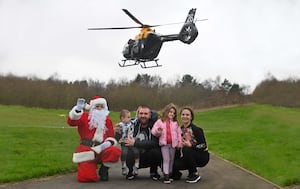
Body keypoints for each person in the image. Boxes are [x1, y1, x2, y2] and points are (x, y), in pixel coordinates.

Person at [67, 96, 121, 182]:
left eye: (101, 106)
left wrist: (107, 143)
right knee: (87, 178)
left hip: (102, 149)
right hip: (87, 149)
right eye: (97, 106)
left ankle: (104, 169)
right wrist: (77, 110)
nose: (99, 108)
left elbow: (110, 136)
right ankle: (88, 166)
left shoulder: (108, 121)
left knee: (114, 151)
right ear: (92, 107)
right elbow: (71, 122)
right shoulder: (84, 117)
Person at [123, 105, 162, 180]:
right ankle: (131, 171)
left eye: (145, 114)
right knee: (127, 150)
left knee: (156, 151)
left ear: (150, 115)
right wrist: (118, 133)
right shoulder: (132, 124)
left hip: (148, 155)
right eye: (141, 113)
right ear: (138, 115)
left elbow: (155, 143)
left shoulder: (155, 126)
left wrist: (135, 143)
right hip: (135, 154)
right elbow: (123, 138)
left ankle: (153, 172)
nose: (143, 116)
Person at [172, 107, 210, 183]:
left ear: (191, 117)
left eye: (187, 115)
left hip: (201, 156)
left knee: (187, 149)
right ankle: (176, 174)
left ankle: (194, 173)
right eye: (183, 114)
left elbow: (203, 145)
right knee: (174, 164)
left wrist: (191, 146)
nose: (185, 116)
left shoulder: (197, 129)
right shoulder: (179, 129)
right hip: (188, 156)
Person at [151, 103, 182, 184]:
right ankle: (166, 175)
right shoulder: (160, 121)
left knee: (171, 160)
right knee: (166, 159)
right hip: (164, 144)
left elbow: (179, 134)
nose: (172, 114)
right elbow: (153, 131)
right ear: (166, 112)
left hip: (173, 145)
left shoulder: (175, 123)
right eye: (170, 112)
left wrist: (179, 144)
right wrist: (158, 131)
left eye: (174, 113)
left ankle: (170, 174)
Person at [118, 109, 140, 176]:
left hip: (131, 141)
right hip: (124, 142)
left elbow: (137, 118)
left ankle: (136, 165)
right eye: (128, 117)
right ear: (122, 118)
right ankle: (123, 166)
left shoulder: (132, 123)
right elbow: (117, 131)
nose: (130, 118)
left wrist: (138, 111)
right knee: (124, 153)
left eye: (129, 117)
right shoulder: (120, 125)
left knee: (136, 152)